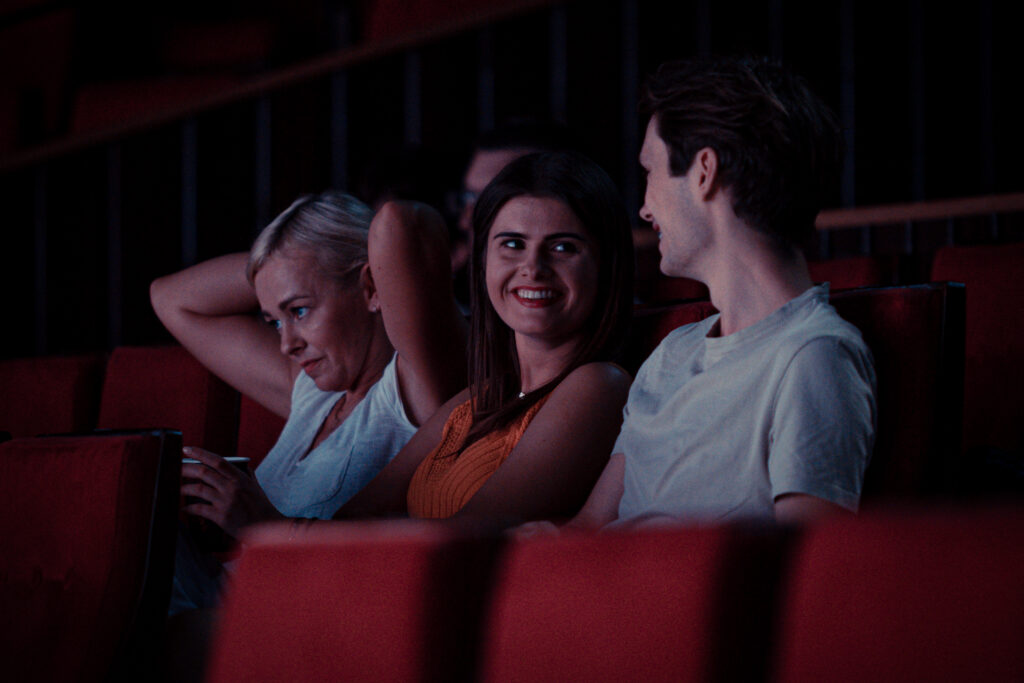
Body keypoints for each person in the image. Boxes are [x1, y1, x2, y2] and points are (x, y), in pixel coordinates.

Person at [521, 56, 876, 535]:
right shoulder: (673, 352)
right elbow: (587, 530)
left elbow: (809, 572)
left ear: (704, 171)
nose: (644, 208)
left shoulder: (813, 356)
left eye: (651, 171)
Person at [149, 191, 467, 611]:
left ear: (372, 286)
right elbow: (169, 298)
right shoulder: (311, 391)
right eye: (274, 321)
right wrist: (282, 270)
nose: (286, 345)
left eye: (298, 311)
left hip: (280, 628)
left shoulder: (415, 388)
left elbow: (401, 224)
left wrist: (262, 525)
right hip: (202, 608)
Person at [329, 150, 634, 526]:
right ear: (483, 260)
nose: (533, 268)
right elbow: (354, 514)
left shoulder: (599, 384)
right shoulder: (478, 397)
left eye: (562, 247)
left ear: (606, 266)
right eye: (512, 244)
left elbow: (466, 540)